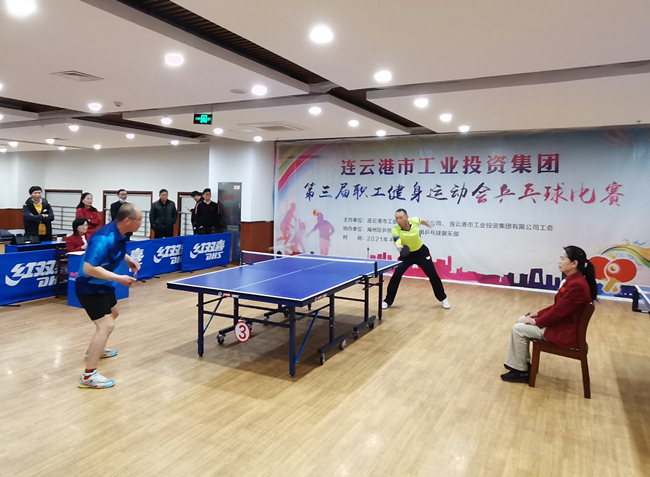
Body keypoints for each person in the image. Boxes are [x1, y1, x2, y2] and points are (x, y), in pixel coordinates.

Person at [501, 246, 598, 383]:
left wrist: (536, 322)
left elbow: (558, 312)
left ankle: (521, 372)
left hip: (565, 332)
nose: (559, 262)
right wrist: (536, 315)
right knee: (521, 320)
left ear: (574, 263)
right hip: (563, 324)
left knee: (519, 329)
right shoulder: (574, 280)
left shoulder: (576, 285)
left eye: (562, 259)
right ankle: (521, 365)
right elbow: (558, 307)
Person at [75, 203, 142, 389]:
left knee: (114, 314)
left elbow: (115, 250)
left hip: (103, 284)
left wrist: (128, 259)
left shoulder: (122, 232)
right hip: (89, 286)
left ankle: (95, 348)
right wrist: (119, 278)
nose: (141, 223)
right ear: (127, 220)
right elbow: (89, 268)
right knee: (106, 325)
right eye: (139, 220)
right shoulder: (103, 238)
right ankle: (88, 376)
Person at [383, 209, 450, 310]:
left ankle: (443, 298)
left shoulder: (414, 221)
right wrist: (400, 247)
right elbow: (397, 241)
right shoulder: (395, 230)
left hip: (421, 253)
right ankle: (387, 301)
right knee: (396, 276)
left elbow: (421, 221)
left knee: (433, 275)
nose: (399, 220)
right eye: (397, 218)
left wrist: (428, 224)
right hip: (407, 255)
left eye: (401, 217)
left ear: (407, 217)